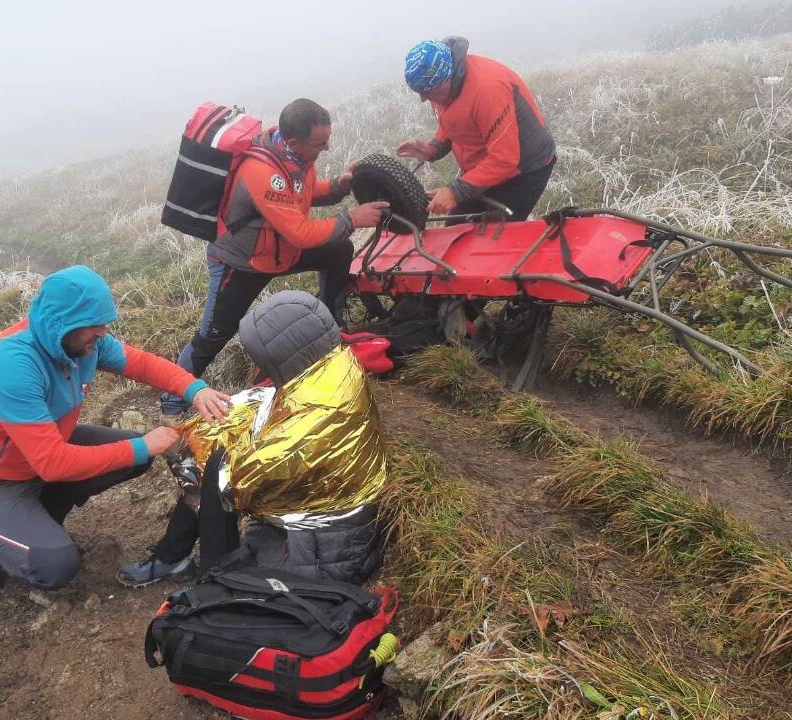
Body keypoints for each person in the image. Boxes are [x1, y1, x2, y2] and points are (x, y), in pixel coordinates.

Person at [0, 265, 232, 593]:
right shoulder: (13, 365)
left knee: (132, 456)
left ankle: (36, 516)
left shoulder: (81, 344)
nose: (102, 332)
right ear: (62, 323)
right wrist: (144, 446)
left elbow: (141, 363)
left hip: (38, 454)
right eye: (93, 326)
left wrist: (195, 390)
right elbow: (53, 464)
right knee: (54, 565)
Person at [120, 290, 388, 588]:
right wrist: (198, 431)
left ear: (284, 353)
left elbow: (238, 484)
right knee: (202, 451)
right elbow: (262, 404)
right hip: (304, 526)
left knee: (214, 477)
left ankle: (211, 580)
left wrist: (182, 447)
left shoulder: (318, 416)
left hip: (321, 553)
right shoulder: (326, 367)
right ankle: (175, 557)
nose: (258, 365)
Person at [160, 98, 389, 418]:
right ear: (295, 140)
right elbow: (299, 232)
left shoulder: (294, 155)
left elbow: (302, 193)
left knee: (338, 252)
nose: (326, 148)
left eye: (327, 139)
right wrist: (351, 219)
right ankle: (173, 402)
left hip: (279, 253)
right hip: (241, 264)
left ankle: (331, 327)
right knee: (212, 336)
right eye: (320, 143)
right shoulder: (264, 172)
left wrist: (338, 187)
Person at [396, 37, 556, 222]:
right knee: (456, 228)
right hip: (483, 168)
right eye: (421, 92)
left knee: (494, 237)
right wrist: (434, 148)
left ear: (448, 76)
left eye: (429, 91)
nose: (425, 98)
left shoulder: (488, 90)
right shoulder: (438, 86)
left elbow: (505, 159)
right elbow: (454, 119)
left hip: (524, 169)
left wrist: (455, 192)